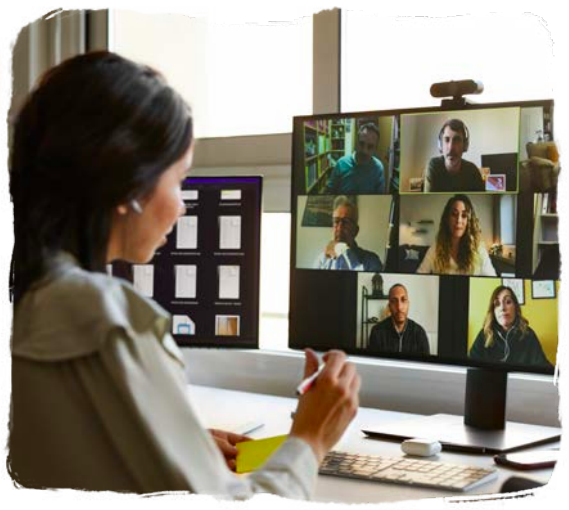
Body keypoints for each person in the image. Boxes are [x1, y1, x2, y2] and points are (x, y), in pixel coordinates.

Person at [8, 51, 361, 496]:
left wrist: (178, 444)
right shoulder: (108, 322)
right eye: (179, 181)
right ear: (128, 187)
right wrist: (310, 439)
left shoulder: (26, 303)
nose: (183, 203)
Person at [469, 286, 553, 369]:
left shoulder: (528, 335)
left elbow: (542, 365)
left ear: (515, 307)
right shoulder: (485, 334)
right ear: (493, 311)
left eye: (508, 302)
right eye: (497, 304)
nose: (502, 308)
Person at [417, 194, 496, 276]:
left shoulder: (479, 249)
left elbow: (493, 280)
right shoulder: (436, 248)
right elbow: (419, 275)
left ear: (469, 221)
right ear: (447, 219)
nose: (458, 220)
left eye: (464, 215)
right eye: (454, 214)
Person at [315, 195, 382, 271]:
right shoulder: (322, 260)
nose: (339, 228)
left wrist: (344, 249)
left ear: (356, 231)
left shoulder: (371, 261)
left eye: (346, 222)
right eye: (336, 221)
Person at [424, 119, 484, 192]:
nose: (451, 147)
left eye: (457, 140)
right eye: (446, 140)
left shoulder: (473, 171)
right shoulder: (433, 166)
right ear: (440, 144)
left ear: (465, 145)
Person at [368, 284, 430, 355]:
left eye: (403, 300)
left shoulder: (419, 333)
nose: (399, 307)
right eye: (394, 301)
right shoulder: (377, 332)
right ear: (389, 306)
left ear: (408, 304)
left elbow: (425, 365)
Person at [325, 123, 385, 194]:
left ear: (376, 148)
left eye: (370, 146)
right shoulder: (341, 163)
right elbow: (329, 192)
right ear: (356, 142)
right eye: (361, 144)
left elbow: (380, 197)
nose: (364, 151)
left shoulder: (378, 168)